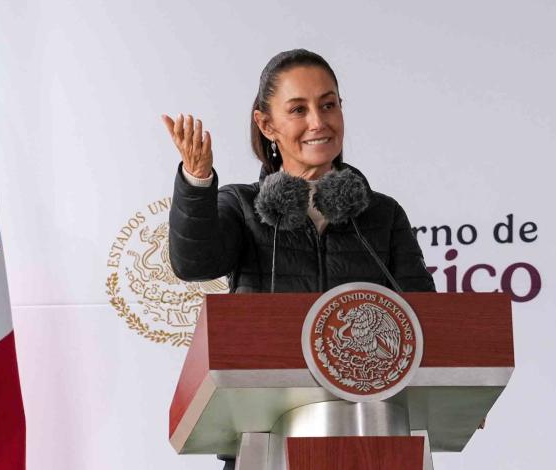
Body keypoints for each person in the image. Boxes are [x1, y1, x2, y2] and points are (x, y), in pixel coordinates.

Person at [162, 50, 434, 466]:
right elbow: (194, 262)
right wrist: (197, 181)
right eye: (298, 110)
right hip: (265, 444)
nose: (318, 122)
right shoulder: (241, 205)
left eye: (329, 105)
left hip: (373, 442)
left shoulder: (382, 214)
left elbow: (425, 320)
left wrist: (454, 383)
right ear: (266, 124)